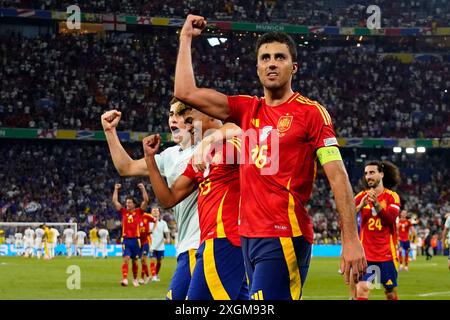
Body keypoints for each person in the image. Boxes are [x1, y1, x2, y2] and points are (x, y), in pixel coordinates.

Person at [173, 15, 366, 299]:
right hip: (248, 237)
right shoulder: (248, 109)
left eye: (279, 57)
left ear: (293, 67)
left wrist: (350, 239)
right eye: (265, 58)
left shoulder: (311, 113)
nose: (271, 63)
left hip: (283, 234)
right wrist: (185, 38)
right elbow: (185, 93)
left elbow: (338, 176)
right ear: (257, 67)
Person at [101, 99, 201, 299]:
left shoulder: (206, 150)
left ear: (192, 121)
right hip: (186, 246)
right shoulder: (170, 155)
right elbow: (126, 167)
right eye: (170, 114)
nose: (173, 119)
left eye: (179, 114)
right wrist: (110, 132)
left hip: (198, 245)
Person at [143, 120, 248, 300]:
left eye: (191, 118)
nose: (190, 125)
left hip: (225, 238)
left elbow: (239, 130)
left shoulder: (230, 146)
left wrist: (207, 141)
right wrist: (150, 159)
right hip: (209, 242)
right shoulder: (197, 160)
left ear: (212, 116)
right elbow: (168, 199)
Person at [354, 160, 401, 300]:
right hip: (366, 255)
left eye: (372, 172)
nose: (368, 176)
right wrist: (359, 207)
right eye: (366, 173)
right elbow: (345, 218)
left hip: (387, 255)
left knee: (390, 292)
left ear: (381, 174)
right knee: (362, 289)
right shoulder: (361, 197)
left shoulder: (392, 196)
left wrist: (375, 203)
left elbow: (389, 220)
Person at [112, 183, 149, 287]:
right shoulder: (123, 212)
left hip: (136, 240)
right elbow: (115, 201)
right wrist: (116, 189)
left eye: (129, 203)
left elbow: (146, 200)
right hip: (126, 240)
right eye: (126, 202)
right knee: (126, 258)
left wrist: (143, 189)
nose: (127, 204)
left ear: (134, 204)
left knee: (135, 261)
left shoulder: (139, 212)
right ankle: (124, 279)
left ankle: (135, 279)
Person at [149, 207, 171, 282]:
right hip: (152, 245)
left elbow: (166, 232)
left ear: (159, 213)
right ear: (151, 213)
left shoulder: (163, 223)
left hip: (161, 246)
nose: (155, 212)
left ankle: (156, 274)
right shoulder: (149, 222)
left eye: (157, 211)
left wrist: (168, 238)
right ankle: (153, 275)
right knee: (153, 260)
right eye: (153, 210)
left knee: (159, 261)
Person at [138, 208, 157, 284]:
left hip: (146, 241)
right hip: (138, 241)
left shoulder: (146, 216)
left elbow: (155, 220)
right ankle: (147, 276)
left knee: (143, 259)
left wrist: (152, 229)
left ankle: (143, 278)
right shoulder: (136, 216)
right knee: (142, 261)